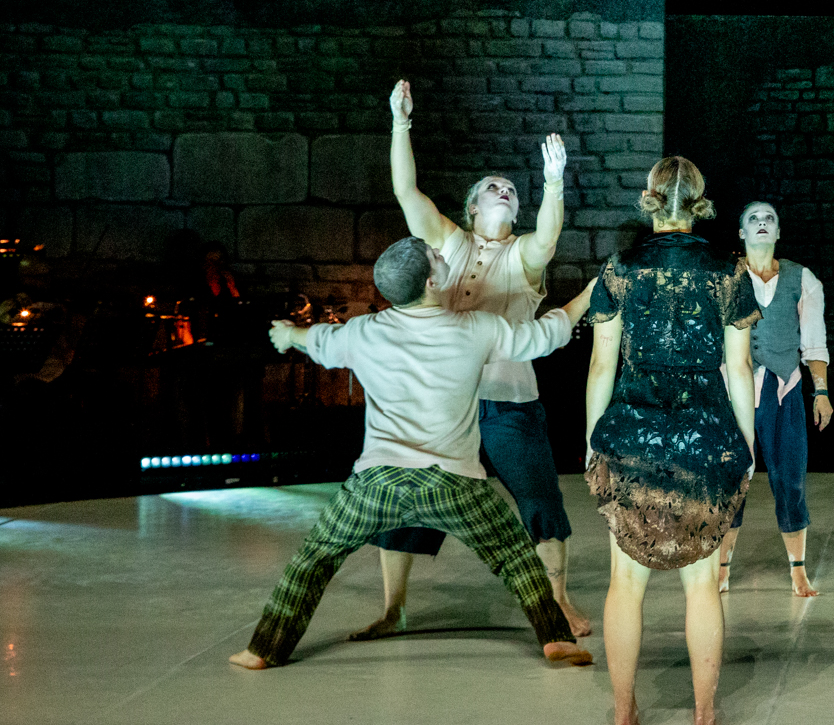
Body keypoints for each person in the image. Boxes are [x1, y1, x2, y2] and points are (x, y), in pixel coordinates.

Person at [228, 237, 592, 669]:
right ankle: (555, 639)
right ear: (433, 281)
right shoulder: (476, 328)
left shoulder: (363, 332)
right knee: (515, 558)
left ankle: (263, 649)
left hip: (375, 484)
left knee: (312, 560)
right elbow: (546, 335)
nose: (443, 255)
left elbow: (318, 340)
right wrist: (588, 295)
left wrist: (288, 334)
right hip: (451, 482)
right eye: (437, 257)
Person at [361, 81, 591, 639]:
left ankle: (557, 599)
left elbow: (549, 237)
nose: (505, 190)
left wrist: (555, 183)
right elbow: (406, 191)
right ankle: (393, 609)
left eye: (513, 188)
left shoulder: (523, 255)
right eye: (494, 187)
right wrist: (400, 122)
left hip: (510, 403)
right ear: (472, 206)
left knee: (539, 500)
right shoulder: (448, 241)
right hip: (443, 402)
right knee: (407, 504)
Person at [585, 156, 758, 725]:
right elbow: (739, 370)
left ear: (650, 197)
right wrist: (748, 448)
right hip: (705, 444)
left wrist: (592, 442)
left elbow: (600, 364)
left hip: (631, 442)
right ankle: (705, 713)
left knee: (624, 584)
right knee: (702, 583)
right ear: (701, 201)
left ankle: (623, 711)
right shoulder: (727, 272)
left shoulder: (620, 269)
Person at [715, 200, 833, 598]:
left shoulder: (803, 279)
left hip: (783, 391)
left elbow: (813, 341)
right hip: (734, 391)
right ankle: (721, 568)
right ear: (741, 232)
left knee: (791, 480)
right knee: (732, 480)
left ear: (779, 232)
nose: (762, 223)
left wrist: (821, 391)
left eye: (770, 219)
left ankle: (797, 570)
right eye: (754, 219)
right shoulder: (724, 279)